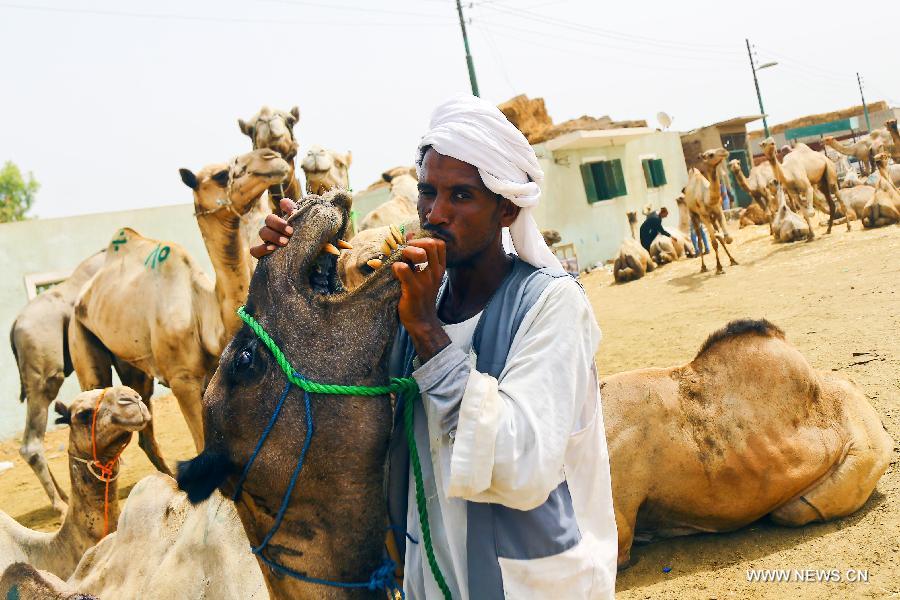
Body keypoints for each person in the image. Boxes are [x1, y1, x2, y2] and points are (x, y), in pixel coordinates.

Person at [251, 94, 617, 599]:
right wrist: (298, 267)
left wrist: (427, 331)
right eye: (428, 191)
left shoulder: (551, 305)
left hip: (531, 583)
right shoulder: (419, 296)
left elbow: (521, 464)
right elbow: (339, 396)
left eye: (461, 196)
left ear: (507, 207)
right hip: (431, 574)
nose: (436, 213)